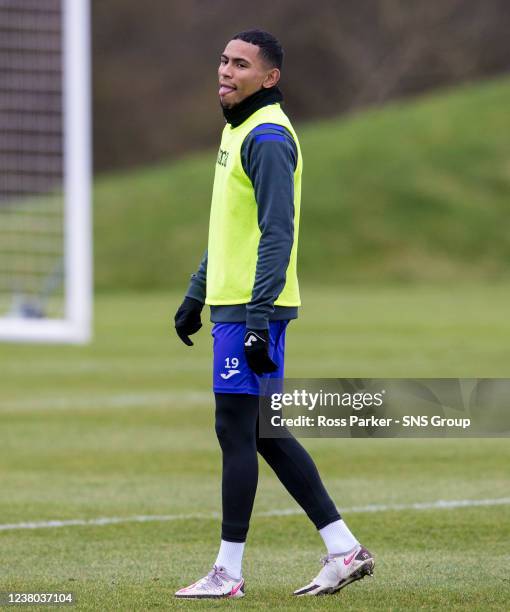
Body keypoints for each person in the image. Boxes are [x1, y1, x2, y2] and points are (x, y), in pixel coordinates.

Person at [173, 29, 374, 599]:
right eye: (223, 60)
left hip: (252, 312)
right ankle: (343, 548)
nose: (226, 71)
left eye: (241, 64)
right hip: (235, 305)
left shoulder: (264, 137)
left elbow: (276, 234)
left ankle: (228, 573)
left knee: (237, 430)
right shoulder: (237, 131)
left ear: (270, 78)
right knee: (262, 432)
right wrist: (197, 292)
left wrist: (257, 318)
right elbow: (232, 229)